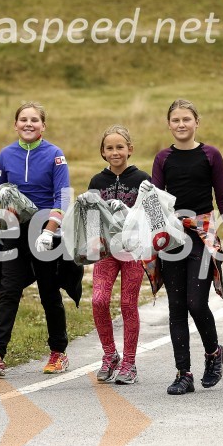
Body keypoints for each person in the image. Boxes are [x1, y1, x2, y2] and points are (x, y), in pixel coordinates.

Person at [144, 99, 223, 395]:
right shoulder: (163, 158)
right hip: (172, 237)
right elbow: (155, 201)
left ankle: (214, 354)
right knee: (176, 306)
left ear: (197, 122)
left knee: (196, 302)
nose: (181, 124)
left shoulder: (211, 155)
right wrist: (153, 234)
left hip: (201, 235)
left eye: (186, 119)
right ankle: (183, 373)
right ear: (169, 124)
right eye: (175, 120)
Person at [0, 101, 72, 376]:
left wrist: (49, 230)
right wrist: (3, 196)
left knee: (48, 293)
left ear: (43, 125)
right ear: (15, 124)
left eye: (34, 120)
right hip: (13, 230)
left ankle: (58, 352)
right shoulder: (6, 154)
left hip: (45, 230)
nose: (28, 124)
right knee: (8, 291)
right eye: (23, 120)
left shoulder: (55, 155)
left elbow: (63, 197)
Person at [79, 125, 151, 385]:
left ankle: (130, 362)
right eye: (109, 148)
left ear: (130, 149)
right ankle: (110, 355)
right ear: (103, 152)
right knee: (99, 300)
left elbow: (151, 215)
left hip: (132, 252)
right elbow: (90, 218)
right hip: (106, 253)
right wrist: (92, 239)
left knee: (128, 304)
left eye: (120, 147)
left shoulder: (142, 179)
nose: (115, 152)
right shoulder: (97, 182)